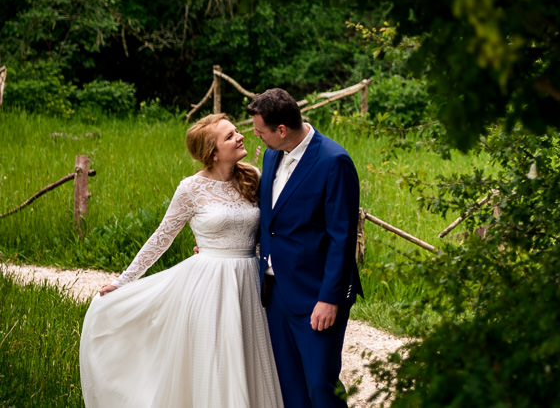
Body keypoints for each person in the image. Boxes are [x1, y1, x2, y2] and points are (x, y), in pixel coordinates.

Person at [79, 113, 284, 408]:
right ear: (211, 153)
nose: (240, 137)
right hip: (210, 286)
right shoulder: (190, 188)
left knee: (250, 358)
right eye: (229, 136)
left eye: (236, 132)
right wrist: (123, 280)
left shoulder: (253, 177)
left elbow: (267, 232)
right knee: (218, 361)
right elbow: (162, 238)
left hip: (249, 283)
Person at [248, 87, 363, 408]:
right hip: (275, 291)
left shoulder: (333, 161)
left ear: (281, 129)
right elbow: (271, 219)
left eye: (260, 132)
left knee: (319, 384)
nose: (257, 138)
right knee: (290, 385)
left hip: (316, 294)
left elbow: (343, 236)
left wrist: (329, 298)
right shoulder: (272, 154)